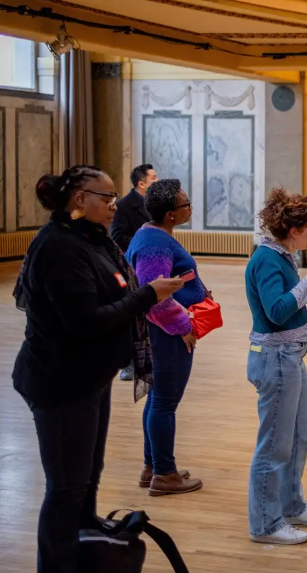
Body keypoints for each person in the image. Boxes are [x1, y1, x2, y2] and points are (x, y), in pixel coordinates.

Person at [12, 165, 182, 572]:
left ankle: (83, 552)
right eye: (106, 198)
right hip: (60, 382)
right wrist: (147, 296)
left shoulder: (92, 239)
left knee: (88, 478)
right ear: (78, 199)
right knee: (67, 488)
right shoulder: (58, 247)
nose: (115, 205)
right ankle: (55, 565)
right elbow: (85, 321)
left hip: (90, 378)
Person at [245, 188, 307, 545]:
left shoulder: (281, 255)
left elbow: (287, 302)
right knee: (274, 446)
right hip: (276, 359)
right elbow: (277, 311)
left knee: (300, 436)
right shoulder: (267, 258)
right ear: (293, 228)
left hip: (289, 357)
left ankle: (291, 505)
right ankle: (266, 524)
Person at [125, 178, 205, 496]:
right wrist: (183, 327)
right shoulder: (155, 243)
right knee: (165, 403)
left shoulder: (154, 234)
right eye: (186, 203)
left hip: (165, 332)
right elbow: (154, 296)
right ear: (172, 213)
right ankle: (165, 474)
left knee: (159, 399)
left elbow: (171, 282)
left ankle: (153, 465)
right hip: (165, 334)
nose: (189, 207)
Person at [112, 162, 157, 380]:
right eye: (153, 178)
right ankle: (129, 363)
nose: (157, 181)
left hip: (153, 263)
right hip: (132, 265)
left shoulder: (154, 203)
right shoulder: (124, 205)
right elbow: (118, 236)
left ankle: (151, 356)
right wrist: (144, 242)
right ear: (141, 183)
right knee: (133, 314)